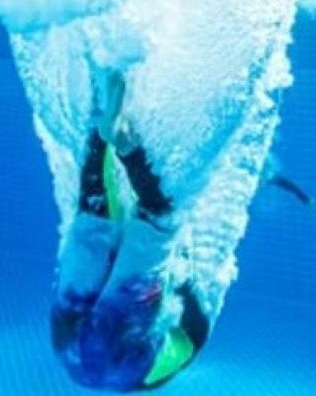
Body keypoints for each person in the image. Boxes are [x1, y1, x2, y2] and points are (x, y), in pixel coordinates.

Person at [52, 70, 211, 391]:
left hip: (117, 352)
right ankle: (100, 135)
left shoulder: (153, 370)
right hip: (63, 340)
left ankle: (127, 146)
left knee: (159, 220)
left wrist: (182, 276)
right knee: (94, 214)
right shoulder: (80, 373)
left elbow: (196, 332)